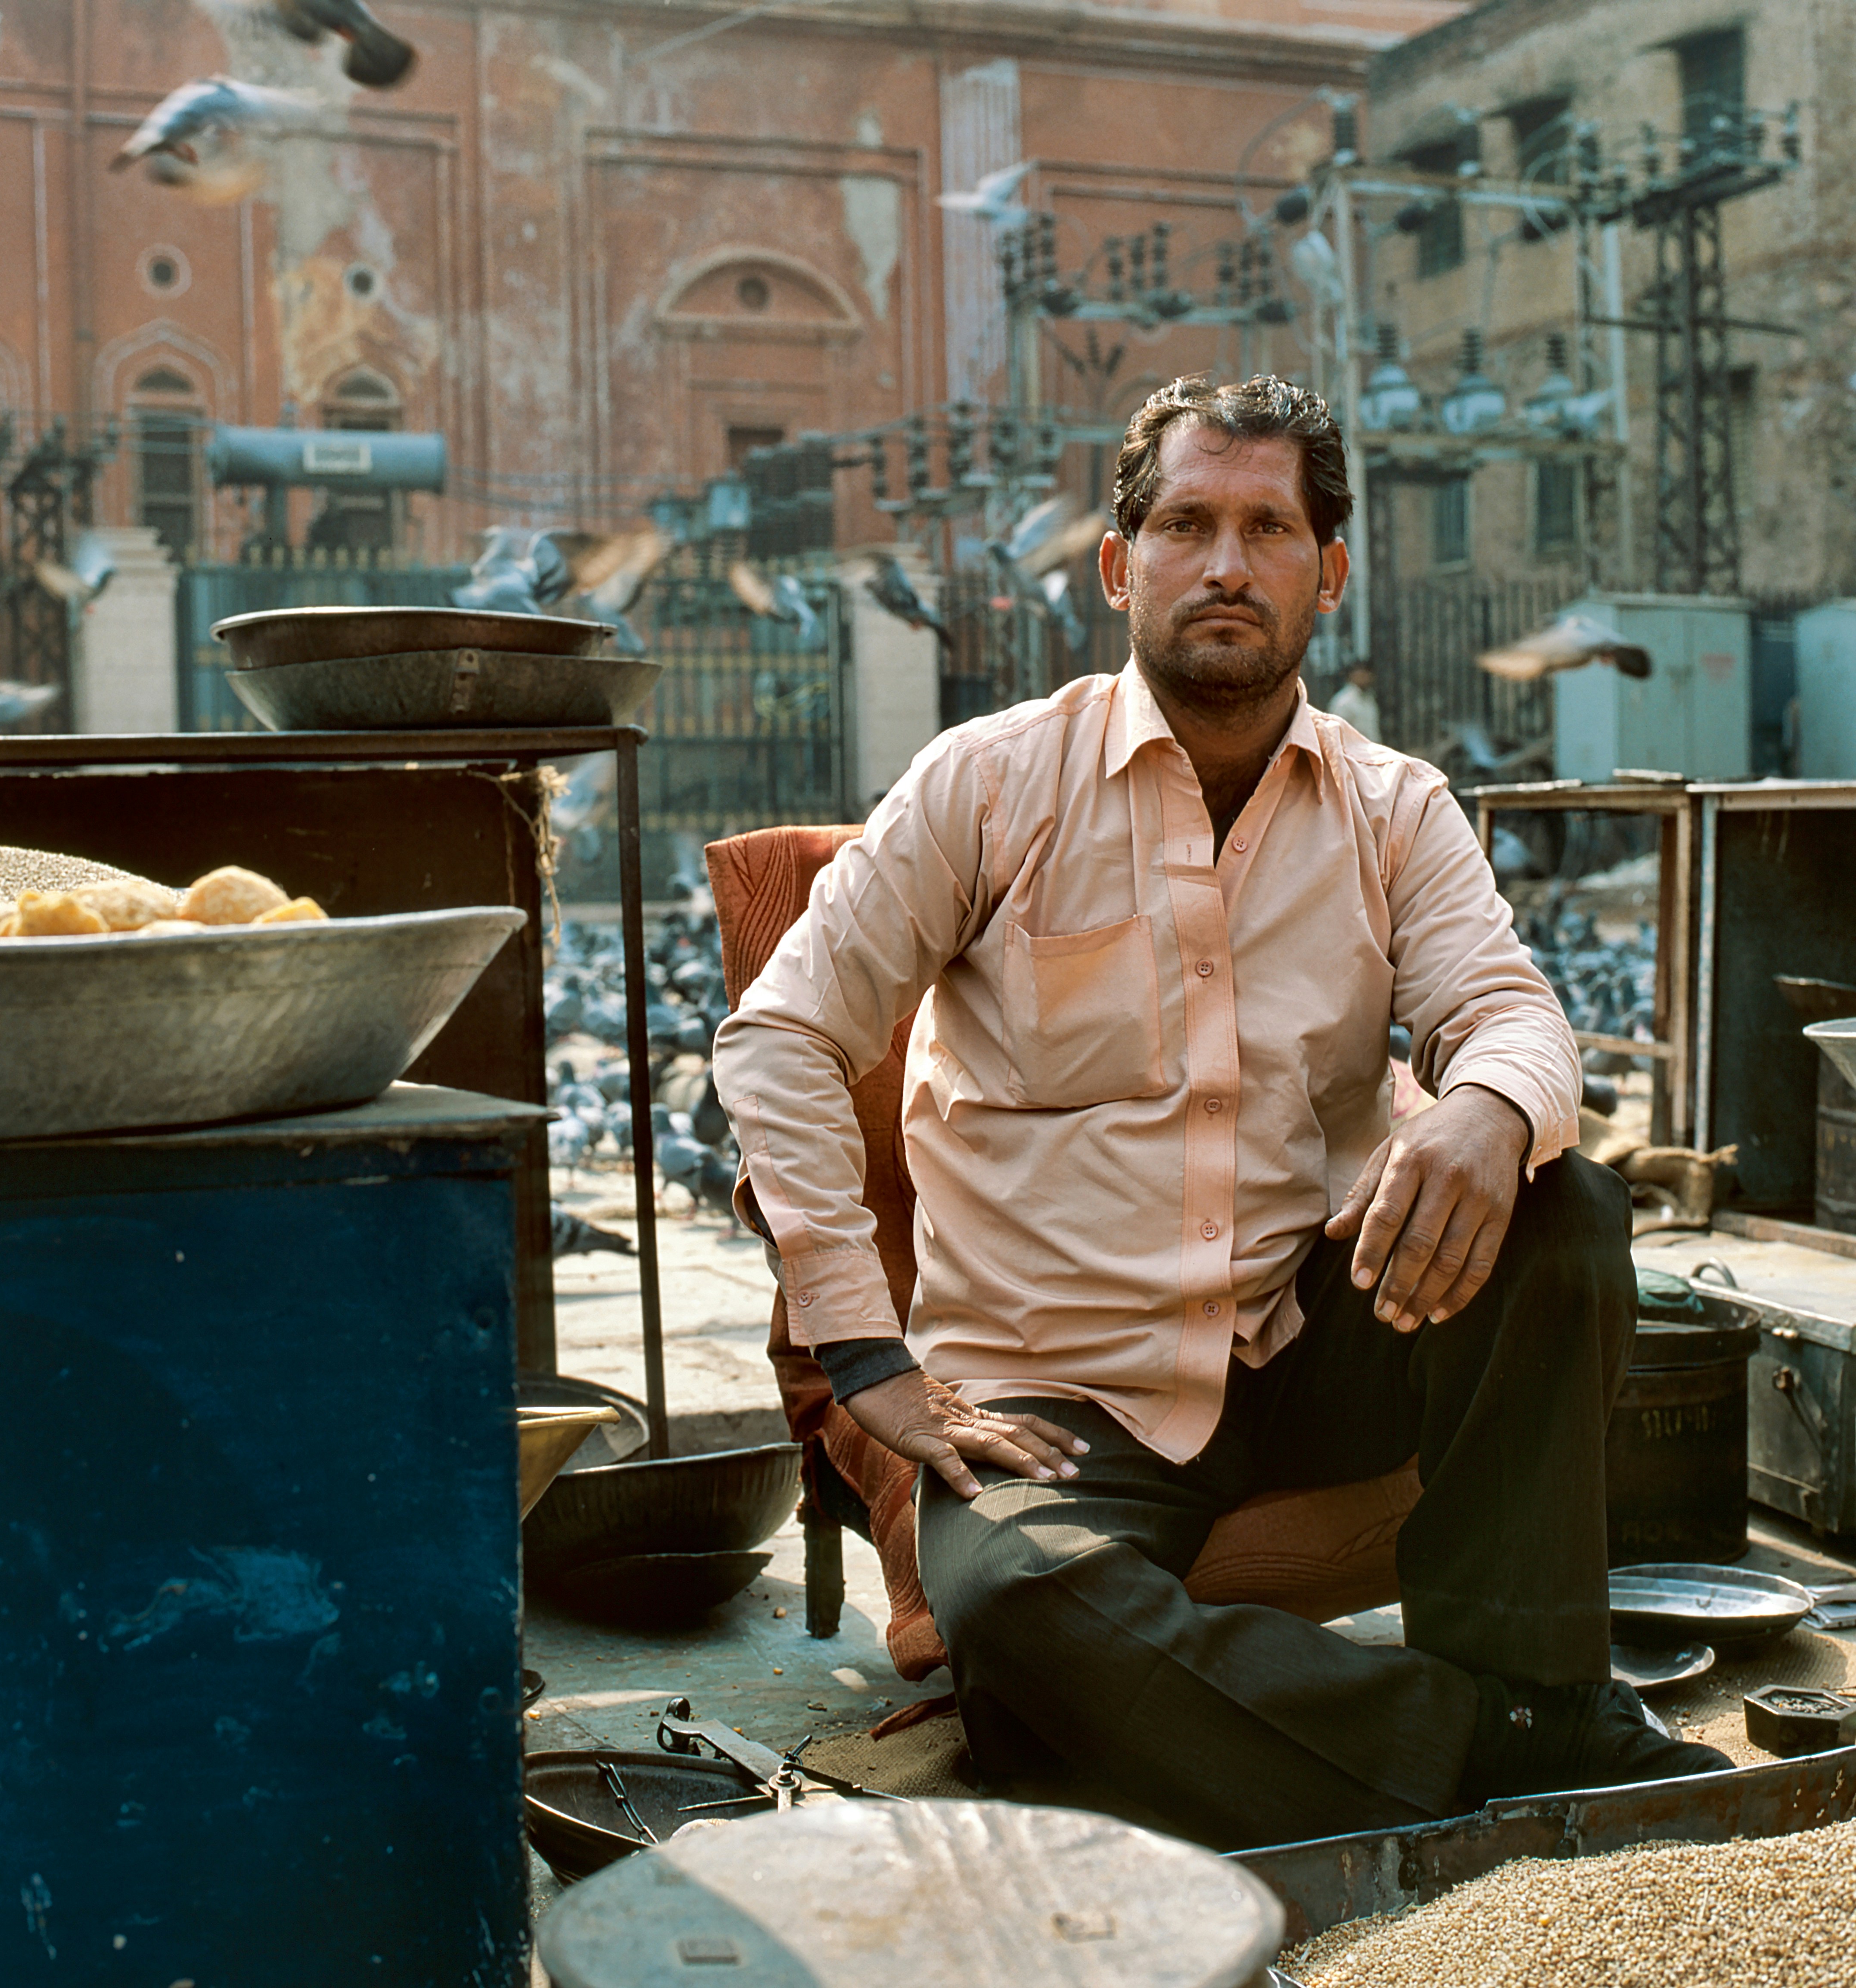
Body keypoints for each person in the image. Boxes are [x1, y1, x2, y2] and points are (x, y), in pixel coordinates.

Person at [711, 375, 1729, 1850]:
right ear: (1120, 566)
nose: (1227, 565)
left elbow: (1510, 1012)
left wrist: (1488, 1111)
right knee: (1023, 1611)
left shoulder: (1394, 808)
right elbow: (783, 1036)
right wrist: (865, 1349)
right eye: (1186, 525)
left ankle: (1503, 1684)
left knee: (1561, 1203)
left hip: (1304, 1335)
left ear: (1331, 571)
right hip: (1057, 1398)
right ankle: (1507, 1741)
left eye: (1269, 529)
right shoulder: (988, 787)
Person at [1328, 661, 1381, 742]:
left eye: (1367, 674)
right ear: (1351, 676)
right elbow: (1335, 732)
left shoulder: (1370, 699)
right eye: (1361, 674)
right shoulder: (1344, 701)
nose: (1364, 678)